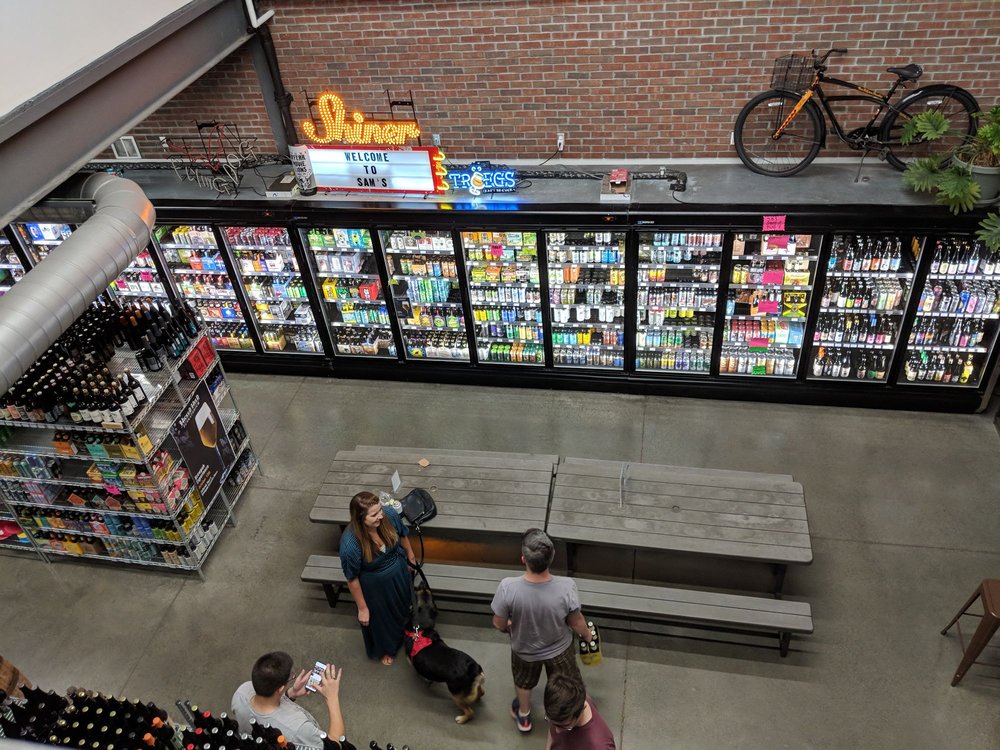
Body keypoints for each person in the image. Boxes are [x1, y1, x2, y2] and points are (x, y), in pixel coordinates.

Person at [491, 528, 595, 733]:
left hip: (524, 651)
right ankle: (568, 716)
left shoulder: (507, 587)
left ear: (523, 559)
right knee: (568, 682)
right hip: (560, 649)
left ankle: (524, 716)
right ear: (552, 557)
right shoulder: (567, 586)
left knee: (523, 682)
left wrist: (509, 627)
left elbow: (498, 623)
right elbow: (576, 621)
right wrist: (587, 634)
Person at [340, 491, 416, 666]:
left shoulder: (388, 515)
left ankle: (406, 634)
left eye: (380, 510)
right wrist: (362, 608)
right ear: (360, 519)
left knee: (403, 606)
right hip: (375, 587)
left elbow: (403, 534)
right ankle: (387, 648)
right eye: (374, 514)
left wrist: (410, 556)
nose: (380, 515)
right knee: (381, 620)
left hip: (398, 573)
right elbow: (352, 579)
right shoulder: (350, 544)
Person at [231, 652, 355, 749]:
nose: (291, 677)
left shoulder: (242, 692)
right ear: (279, 688)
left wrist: (291, 693)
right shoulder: (298, 729)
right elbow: (336, 744)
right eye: (290, 676)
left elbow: (267, 704)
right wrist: (332, 697)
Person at [544, 673, 616, 749]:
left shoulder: (600, 745)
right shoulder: (566, 701)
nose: (557, 731)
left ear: (580, 711)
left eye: (565, 726)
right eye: (551, 721)